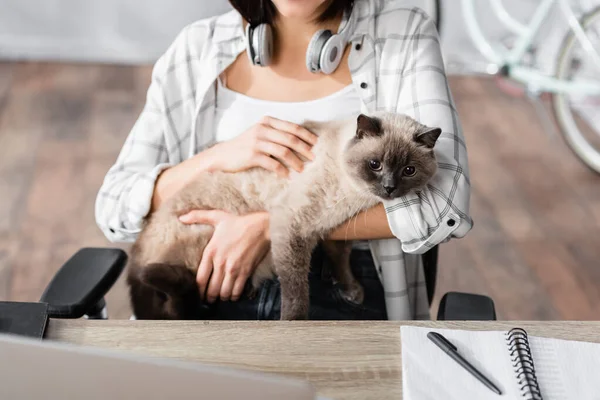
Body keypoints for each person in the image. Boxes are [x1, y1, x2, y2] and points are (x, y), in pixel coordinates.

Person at [95, 0, 472, 320]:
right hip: (204, 273)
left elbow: (444, 208)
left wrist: (271, 226)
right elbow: (114, 207)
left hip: (341, 277)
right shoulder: (197, 47)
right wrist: (216, 157)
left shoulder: (401, 33)